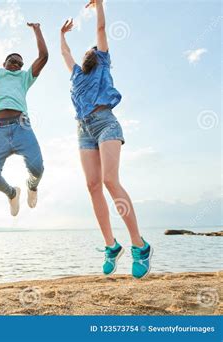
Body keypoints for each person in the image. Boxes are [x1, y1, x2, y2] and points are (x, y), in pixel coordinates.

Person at [60, 0, 153, 279]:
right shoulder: (76, 74)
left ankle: (140, 245)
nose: (90, 50)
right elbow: (65, 53)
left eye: (93, 48)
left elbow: (100, 28)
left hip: (105, 123)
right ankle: (111, 246)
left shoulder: (102, 61)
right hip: (83, 129)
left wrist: (99, 4)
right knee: (92, 185)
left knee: (111, 181)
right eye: (87, 50)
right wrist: (61, 35)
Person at [0, 20, 48, 216]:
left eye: (19, 63)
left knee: (37, 168)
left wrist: (37, 30)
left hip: (21, 126)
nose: (15, 64)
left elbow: (44, 56)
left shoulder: (25, 78)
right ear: (4, 64)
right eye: (12, 61)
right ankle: (12, 193)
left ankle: (32, 187)